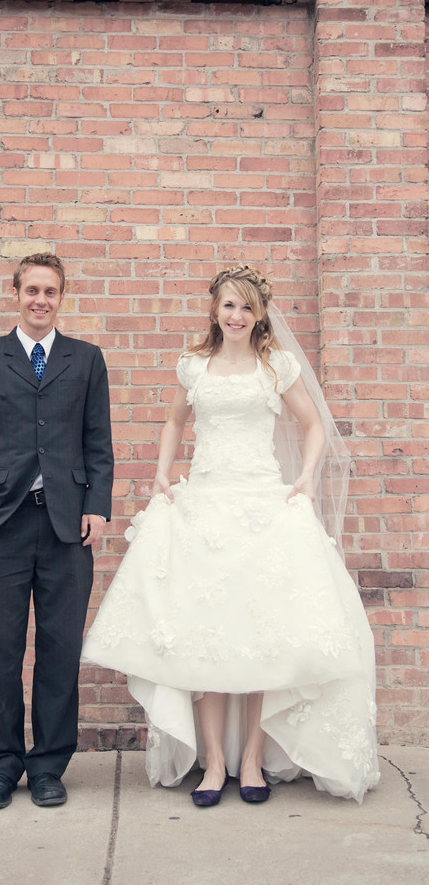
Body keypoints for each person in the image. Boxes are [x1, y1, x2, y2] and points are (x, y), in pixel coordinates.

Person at [83, 263, 379, 806]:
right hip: (205, 506)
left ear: (259, 313)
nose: (237, 315)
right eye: (228, 305)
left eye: (246, 306)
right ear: (214, 310)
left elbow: (314, 424)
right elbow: (175, 421)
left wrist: (306, 476)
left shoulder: (276, 366)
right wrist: (162, 472)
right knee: (209, 634)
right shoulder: (194, 365)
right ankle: (215, 761)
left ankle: (252, 761)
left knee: (262, 635)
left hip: (263, 506)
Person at [0, 252, 114, 810]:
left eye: (50, 291)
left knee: (60, 649)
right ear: (16, 294)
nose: (40, 300)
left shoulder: (86, 359)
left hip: (67, 526)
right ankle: (1, 766)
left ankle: (48, 766)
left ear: (61, 297)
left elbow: (98, 443)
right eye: (32, 290)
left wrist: (97, 507)